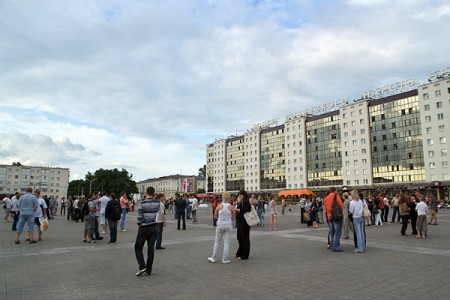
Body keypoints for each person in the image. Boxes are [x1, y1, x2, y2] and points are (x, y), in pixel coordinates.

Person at [134, 186, 161, 276]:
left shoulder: (142, 203)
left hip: (144, 227)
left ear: (146, 193)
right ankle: (149, 269)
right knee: (150, 249)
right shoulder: (157, 203)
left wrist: (139, 225)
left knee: (138, 247)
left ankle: (142, 266)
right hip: (153, 226)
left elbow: (139, 217)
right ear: (153, 193)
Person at [208, 192, 235, 264]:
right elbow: (233, 218)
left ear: (222, 197)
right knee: (227, 243)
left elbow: (215, 216)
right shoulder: (231, 207)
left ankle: (213, 257)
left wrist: (220, 218)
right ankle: (225, 259)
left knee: (217, 242)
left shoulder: (219, 206)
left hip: (220, 224)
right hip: (228, 225)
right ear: (229, 198)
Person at [324, 187, 344, 252]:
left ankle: (332, 245)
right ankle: (336, 247)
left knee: (331, 232)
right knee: (337, 232)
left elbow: (326, 208)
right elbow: (341, 205)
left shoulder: (326, 198)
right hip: (336, 216)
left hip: (329, 216)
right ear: (335, 190)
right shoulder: (336, 196)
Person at [235, 190, 251, 260]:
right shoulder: (242, 201)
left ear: (244, 195)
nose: (239, 196)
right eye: (239, 194)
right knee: (240, 238)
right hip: (240, 222)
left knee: (244, 239)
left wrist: (236, 209)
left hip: (244, 223)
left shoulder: (246, 201)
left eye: (241, 194)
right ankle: (239, 253)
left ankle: (244, 255)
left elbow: (244, 210)